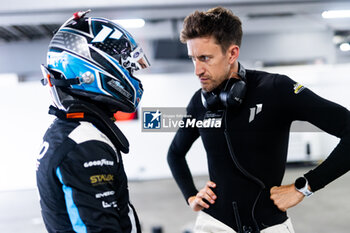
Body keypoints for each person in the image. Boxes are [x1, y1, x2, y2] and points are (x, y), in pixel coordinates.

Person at [167, 6, 350, 233]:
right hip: (213, 224)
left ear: (232, 53)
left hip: (269, 226)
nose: (197, 70)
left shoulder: (275, 89)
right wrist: (191, 196)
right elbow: (175, 153)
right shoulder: (200, 102)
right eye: (193, 58)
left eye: (205, 58)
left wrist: (305, 185)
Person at [36, 10, 150, 233]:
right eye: (127, 67)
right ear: (92, 70)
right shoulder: (85, 145)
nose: (132, 75)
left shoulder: (70, 132)